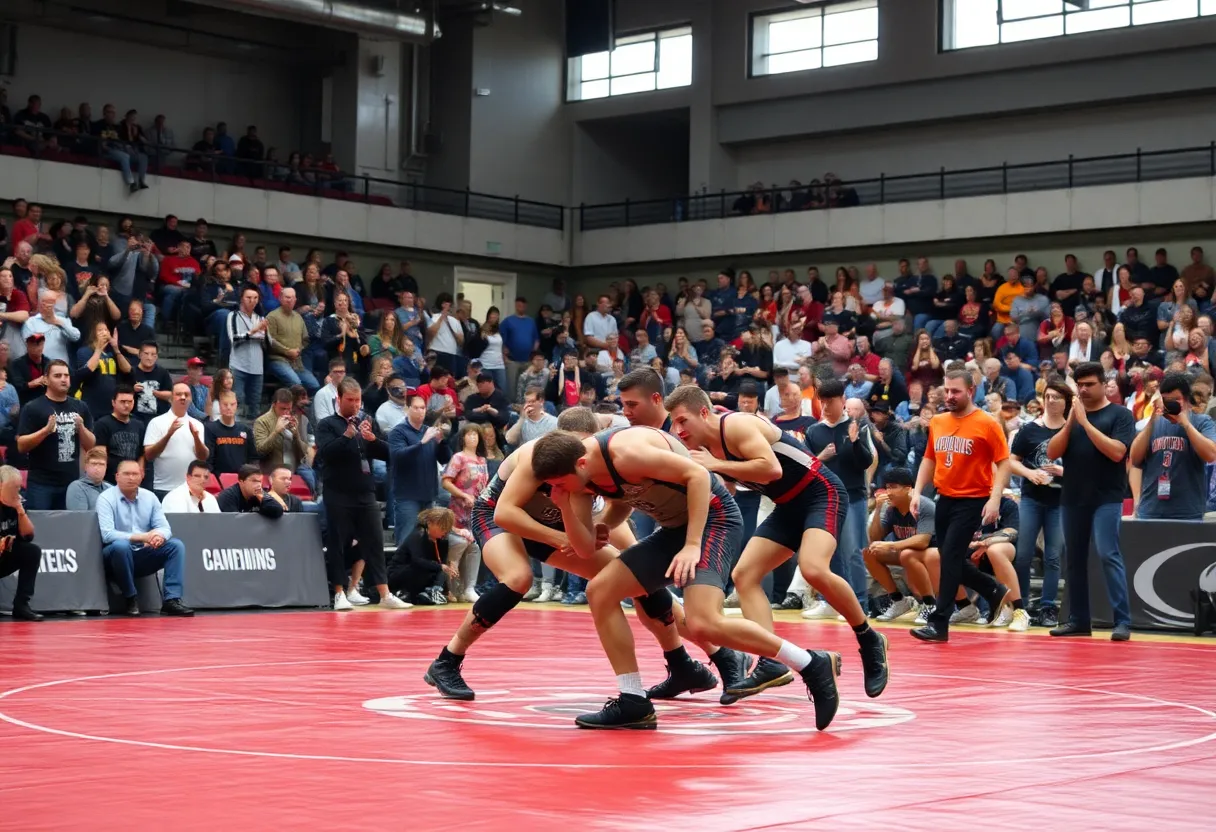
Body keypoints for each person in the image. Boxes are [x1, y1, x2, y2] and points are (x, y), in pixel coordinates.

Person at [424, 407, 747, 707]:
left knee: (634, 580)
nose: (583, 463)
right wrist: (563, 537)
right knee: (519, 578)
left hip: (553, 524)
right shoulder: (544, 457)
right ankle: (447, 661)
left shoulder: (594, 469)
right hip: (499, 518)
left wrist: (608, 540)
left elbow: (628, 550)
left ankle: (695, 661)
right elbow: (507, 513)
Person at [528, 426, 841, 732]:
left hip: (714, 519)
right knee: (600, 591)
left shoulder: (626, 453)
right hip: (675, 531)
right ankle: (633, 699)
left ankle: (811, 663)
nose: (559, 490)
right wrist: (564, 507)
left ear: (581, 463)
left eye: (560, 484)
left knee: (703, 622)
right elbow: (584, 551)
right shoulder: (576, 483)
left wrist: (693, 545)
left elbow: (698, 475)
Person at [665, 385, 888, 702]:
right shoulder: (708, 447)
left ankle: (869, 638)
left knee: (812, 568)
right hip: (788, 505)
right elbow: (721, 483)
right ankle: (770, 661)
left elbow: (771, 468)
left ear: (704, 412)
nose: (678, 430)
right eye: (674, 424)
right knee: (745, 575)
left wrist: (716, 466)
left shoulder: (737, 425)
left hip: (820, 494)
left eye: (682, 421)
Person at [909, 368, 1015, 643]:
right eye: (947, 390)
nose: (950, 395)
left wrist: (994, 498)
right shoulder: (939, 421)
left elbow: (1004, 462)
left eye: (955, 391)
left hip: (973, 499)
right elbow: (929, 459)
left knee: (952, 557)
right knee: (949, 558)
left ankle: (940, 622)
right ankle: (992, 589)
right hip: (944, 498)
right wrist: (917, 492)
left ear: (970, 391)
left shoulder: (987, 423)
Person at [1046, 361, 1136, 641]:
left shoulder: (1120, 415)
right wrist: (1073, 420)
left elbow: (1117, 453)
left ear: (1102, 383)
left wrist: (1085, 423)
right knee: (1073, 559)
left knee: (1108, 554)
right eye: (1080, 385)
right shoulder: (1073, 417)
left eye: (1089, 385)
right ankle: (1079, 620)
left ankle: (1122, 621)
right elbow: (1051, 452)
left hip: (1106, 496)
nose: (1083, 390)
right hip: (1072, 497)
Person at [316, 377, 410, 610]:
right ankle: (339, 593)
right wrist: (347, 435)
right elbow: (326, 454)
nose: (355, 404)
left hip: (365, 492)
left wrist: (373, 439)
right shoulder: (327, 424)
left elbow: (388, 454)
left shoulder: (367, 420)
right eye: (350, 400)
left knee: (375, 542)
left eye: (358, 400)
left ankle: (384, 593)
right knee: (337, 543)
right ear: (338, 399)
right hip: (337, 492)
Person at [95, 459, 194, 617]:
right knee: (121, 546)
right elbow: (107, 534)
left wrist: (158, 536)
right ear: (117, 476)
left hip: (142, 554)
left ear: (141, 476)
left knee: (176, 546)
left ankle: (172, 600)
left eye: (135, 474)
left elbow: (164, 527)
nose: (131, 478)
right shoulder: (106, 498)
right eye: (126, 474)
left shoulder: (150, 497)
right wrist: (142, 537)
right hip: (114, 556)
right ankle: (130, 597)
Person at [1008, 380, 1069, 628]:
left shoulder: (1072, 430)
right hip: (1032, 498)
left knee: (1053, 556)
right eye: (1048, 396)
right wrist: (1029, 474)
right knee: (1023, 555)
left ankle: (1047, 607)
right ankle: (1022, 606)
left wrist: (1063, 472)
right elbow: (1012, 461)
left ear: (1067, 401)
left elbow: (1086, 468)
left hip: (1060, 501)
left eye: (1056, 397)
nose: (1051, 400)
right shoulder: (1029, 429)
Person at [1130, 372, 1216, 521]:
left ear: (1187, 399)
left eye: (1176, 400)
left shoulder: (1202, 421)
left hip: (1187, 511)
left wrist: (1185, 423)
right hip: (1150, 510)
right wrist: (1151, 420)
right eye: (1166, 400)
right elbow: (1135, 460)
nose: (1170, 404)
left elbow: (1210, 454)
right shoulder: (1152, 424)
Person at [16, 359, 95, 510]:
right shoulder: (33, 407)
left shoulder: (80, 406)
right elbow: (21, 445)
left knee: (67, 529)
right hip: (41, 483)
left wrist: (82, 428)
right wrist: (45, 431)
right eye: (58, 376)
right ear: (46, 379)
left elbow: (90, 445)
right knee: (40, 529)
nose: (64, 379)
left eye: (66, 375)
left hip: (71, 482)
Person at [865, 467, 938, 623]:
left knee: (907, 554)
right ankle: (898, 600)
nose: (888, 492)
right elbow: (875, 537)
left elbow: (923, 541)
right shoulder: (892, 509)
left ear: (908, 489)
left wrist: (892, 545)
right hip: (909, 553)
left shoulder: (923, 506)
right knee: (869, 552)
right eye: (887, 487)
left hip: (934, 552)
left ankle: (930, 604)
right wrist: (878, 510)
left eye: (893, 487)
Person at [388, 392, 452, 546]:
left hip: (428, 495)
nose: (420, 411)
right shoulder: (398, 432)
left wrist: (441, 442)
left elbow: (444, 459)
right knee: (406, 541)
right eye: (416, 408)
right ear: (407, 409)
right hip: (407, 497)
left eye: (423, 408)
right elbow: (398, 456)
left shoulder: (429, 431)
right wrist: (422, 442)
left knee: (428, 543)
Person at [389, 507, 467, 606]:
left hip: (421, 572)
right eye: (442, 528)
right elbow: (416, 560)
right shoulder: (418, 534)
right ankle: (412, 592)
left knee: (442, 570)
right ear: (430, 523)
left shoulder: (442, 540)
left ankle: (434, 591)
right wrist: (440, 566)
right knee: (426, 568)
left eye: (446, 530)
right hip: (401, 573)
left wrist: (446, 571)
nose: (444, 532)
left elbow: (440, 563)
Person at [144, 383, 208, 499]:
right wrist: (168, 435)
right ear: (171, 398)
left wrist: (196, 438)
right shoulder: (156, 422)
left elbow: (202, 457)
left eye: (186, 395)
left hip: (190, 487)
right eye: (179, 394)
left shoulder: (198, 425)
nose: (183, 397)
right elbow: (149, 455)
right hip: (163, 488)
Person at [0, 464, 44, 621]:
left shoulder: (16, 503)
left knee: (32, 551)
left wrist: (19, 509)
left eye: (19, 487)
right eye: (13, 487)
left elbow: (28, 535)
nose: (17, 492)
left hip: (4, 556)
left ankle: (21, 605)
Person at [91, 384, 144, 484]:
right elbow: (100, 454)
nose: (127, 405)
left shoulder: (139, 425)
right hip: (110, 480)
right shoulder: (102, 424)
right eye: (122, 402)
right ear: (113, 402)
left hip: (132, 478)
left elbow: (141, 454)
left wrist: (140, 471)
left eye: (130, 402)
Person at [204, 391, 256, 476]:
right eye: (225, 404)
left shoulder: (245, 429)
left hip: (241, 479)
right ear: (219, 406)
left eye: (232, 404)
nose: (229, 407)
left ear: (236, 406)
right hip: (219, 479)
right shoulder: (210, 429)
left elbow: (253, 457)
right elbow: (209, 459)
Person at [217, 464, 284, 518]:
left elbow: (278, 511)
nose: (258, 485)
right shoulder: (228, 496)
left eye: (260, 481)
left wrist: (263, 498)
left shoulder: (259, 493)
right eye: (254, 481)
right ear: (241, 481)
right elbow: (233, 522)